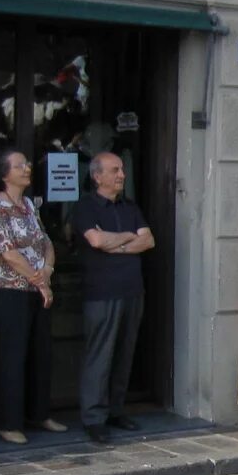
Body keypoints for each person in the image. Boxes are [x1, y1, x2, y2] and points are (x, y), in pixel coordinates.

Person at [0, 146, 64, 444]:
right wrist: (39, 280)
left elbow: (46, 241)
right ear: (5, 174)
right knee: (12, 357)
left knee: (41, 354)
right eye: (19, 166)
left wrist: (49, 271)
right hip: (10, 291)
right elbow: (8, 253)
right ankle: (7, 422)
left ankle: (39, 413)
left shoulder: (29, 205)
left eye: (27, 164)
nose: (27, 169)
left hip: (38, 288)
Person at [73, 152, 154, 443]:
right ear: (97, 176)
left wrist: (114, 242)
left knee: (124, 353)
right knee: (100, 355)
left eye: (121, 169)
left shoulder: (130, 206)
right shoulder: (85, 206)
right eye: (115, 170)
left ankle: (115, 410)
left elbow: (148, 239)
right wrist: (128, 237)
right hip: (101, 292)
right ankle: (94, 417)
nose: (121, 174)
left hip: (132, 290)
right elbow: (95, 240)